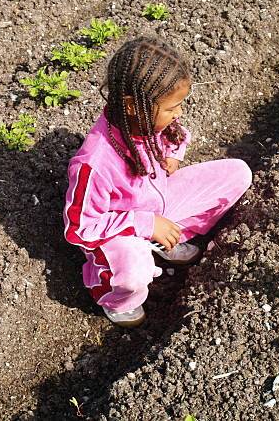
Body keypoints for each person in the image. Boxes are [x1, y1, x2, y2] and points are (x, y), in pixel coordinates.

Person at [62, 35, 252, 327]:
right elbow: (80, 229)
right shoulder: (94, 164)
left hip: (157, 206)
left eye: (179, 105)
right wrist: (145, 224)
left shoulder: (147, 119)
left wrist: (174, 154)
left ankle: (164, 241)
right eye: (171, 108)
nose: (178, 113)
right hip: (118, 235)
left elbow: (176, 132)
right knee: (135, 268)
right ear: (131, 105)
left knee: (237, 173)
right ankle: (115, 296)